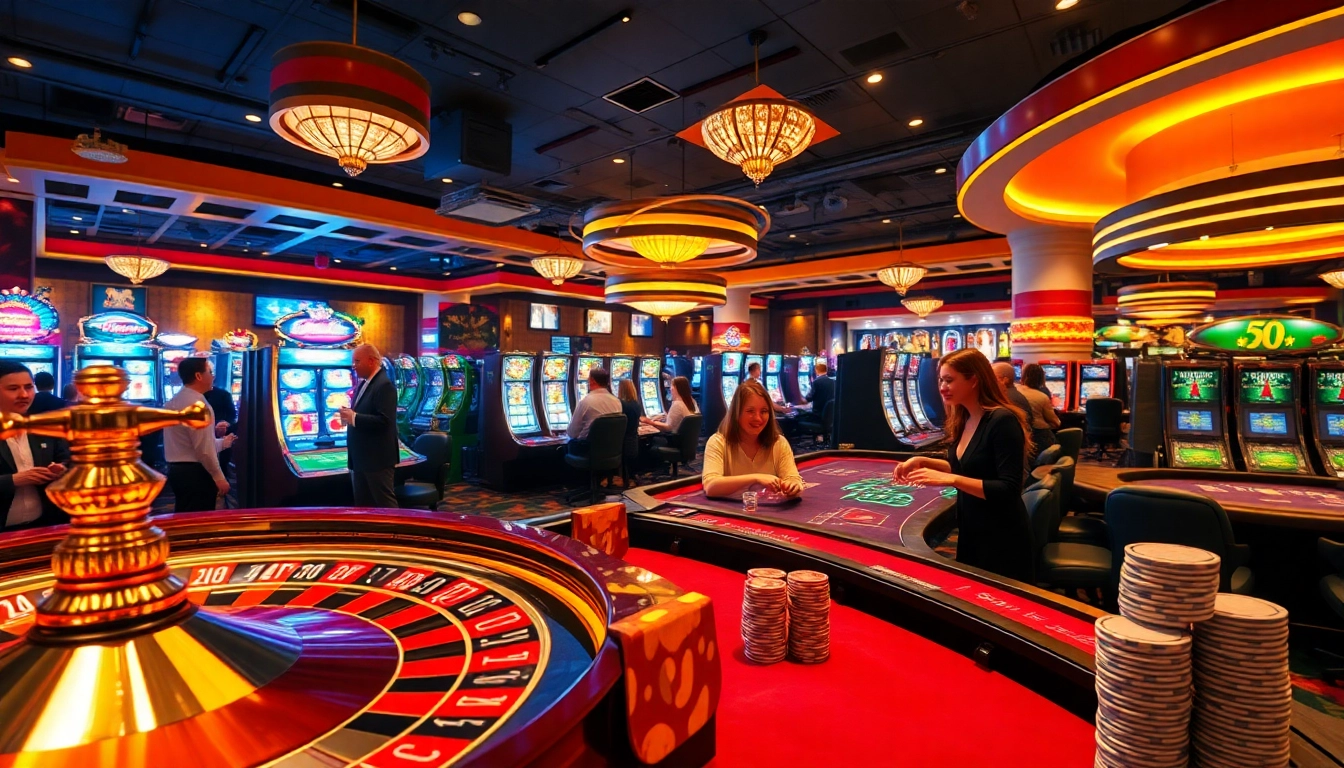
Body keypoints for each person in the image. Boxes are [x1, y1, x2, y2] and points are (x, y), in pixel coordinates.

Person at [892, 348, 1035, 582]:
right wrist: (922, 461)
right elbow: (967, 467)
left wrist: (951, 480)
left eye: (949, 380)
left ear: (974, 380)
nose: (942, 387)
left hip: (1001, 534)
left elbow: (1009, 489)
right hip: (973, 525)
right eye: (940, 380)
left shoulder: (1002, 420)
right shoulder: (965, 417)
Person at [702, 379, 803, 499]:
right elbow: (711, 487)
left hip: (768, 515)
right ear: (736, 413)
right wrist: (756, 478)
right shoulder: (718, 442)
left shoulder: (779, 442)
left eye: (764, 411)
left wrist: (793, 485)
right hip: (731, 513)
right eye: (750, 411)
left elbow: (793, 478)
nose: (758, 418)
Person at [0, 361, 69, 529]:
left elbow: (68, 460)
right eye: (13, 389)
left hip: (43, 527)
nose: (24, 395)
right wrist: (13, 480)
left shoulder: (43, 427)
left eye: (29, 387)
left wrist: (61, 468)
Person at [163, 358, 235, 513]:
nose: (213, 376)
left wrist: (223, 443)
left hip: (177, 471)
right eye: (210, 372)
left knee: (185, 517)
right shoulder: (198, 406)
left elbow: (191, 444)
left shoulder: (173, 401)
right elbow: (203, 450)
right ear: (198, 376)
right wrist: (219, 477)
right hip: (196, 473)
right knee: (200, 520)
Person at [338, 344, 399, 507]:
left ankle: (394, 532)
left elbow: (384, 421)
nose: (354, 366)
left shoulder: (384, 385)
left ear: (371, 361)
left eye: (357, 361)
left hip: (376, 459)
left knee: (385, 504)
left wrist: (355, 417)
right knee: (364, 506)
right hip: (361, 457)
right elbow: (364, 412)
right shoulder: (365, 383)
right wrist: (349, 416)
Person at [566, 366, 622, 454]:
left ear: (592, 380)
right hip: (611, 452)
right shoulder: (617, 402)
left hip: (587, 451)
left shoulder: (586, 401)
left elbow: (572, 433)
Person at [1018, 363, 1061, 455]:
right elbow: (1055, 422)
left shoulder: (1016, 391)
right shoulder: (1042, 396)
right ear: (1042, 378)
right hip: (1038, 435)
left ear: (1023, 376)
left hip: (1019, 434)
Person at [203, 381, 237, 470]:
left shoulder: (224, 395)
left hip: (221, 438)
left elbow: (232, 417)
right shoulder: (188, 398)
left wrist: (224, 425)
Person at [616, 378, 643, 488]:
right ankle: (628, 478)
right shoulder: (636, 404)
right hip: (633, 441)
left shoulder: (621, 405)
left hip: (622, 444)